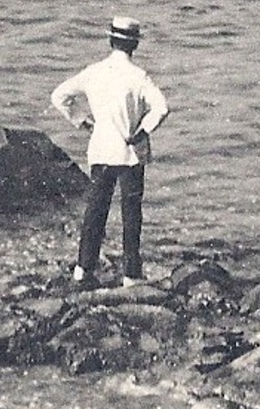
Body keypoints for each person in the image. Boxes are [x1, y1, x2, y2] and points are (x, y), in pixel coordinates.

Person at [50, 16, 170, 290]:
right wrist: (142, 132)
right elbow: (162, 108)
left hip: (102, 150)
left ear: (110, 41)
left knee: (95, 211)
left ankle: (84, 269)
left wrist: (82, 120)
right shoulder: (138, 77)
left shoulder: (94, 72)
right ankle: (131, 274)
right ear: (135, 45)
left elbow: (59, 96)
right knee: (131, 214)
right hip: (131, 153)